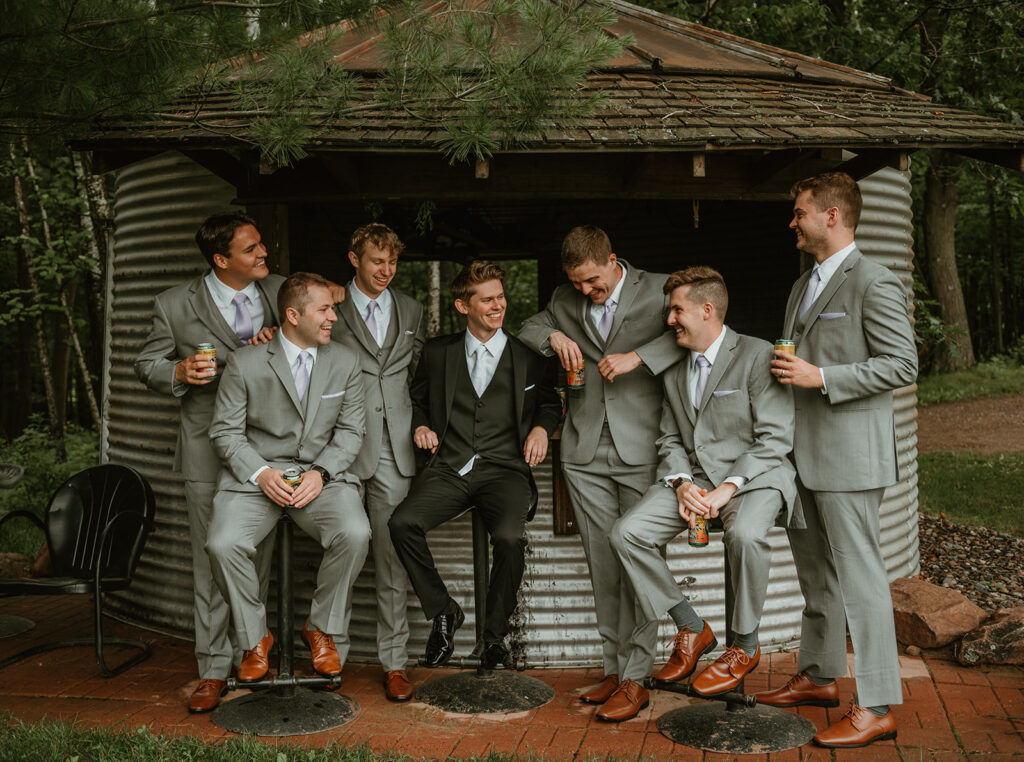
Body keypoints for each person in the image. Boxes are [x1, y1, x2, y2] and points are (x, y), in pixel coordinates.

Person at [759, 171, 918, 748]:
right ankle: (822, 676)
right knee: (815, 573)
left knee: (861, 578)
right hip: (799, 456)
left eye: (800, 211)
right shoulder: (802, 287)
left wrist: (821, 376)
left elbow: (903, 365)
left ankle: (877, 704)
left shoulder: (873, 281)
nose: (793, 222)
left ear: (832, 215)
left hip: (851, 457)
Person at [607, 266, 798, 720]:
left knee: (746, 536)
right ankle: (692, 628)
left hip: (757, 478)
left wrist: (727, 488)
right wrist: (682, 483)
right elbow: (670, 437)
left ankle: (744, 646)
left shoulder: (756, 354)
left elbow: (773, 439)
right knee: (627, 533)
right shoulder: (675, 365)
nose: (669, 319)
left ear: (706, 310)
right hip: (695, 481)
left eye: (676, 309)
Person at [518, 226, 679, 715]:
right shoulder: (564, 298)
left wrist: (640, 357)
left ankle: (637, 675)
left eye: (592, 280)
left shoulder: (662, 288)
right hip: (584, 451)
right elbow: (526, 327)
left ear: (612, 259)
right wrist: (553, 335)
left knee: (636, 559)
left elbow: (695, 333)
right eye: (577, 284)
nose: (585, 291)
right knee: (602, 565)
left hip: (643, 446)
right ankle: (613, 671)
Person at [134, 212, 285, 713]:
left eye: (261, 244)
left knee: (256, 557)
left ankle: (253, 656)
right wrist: (177, 369)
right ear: (222, 260)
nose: (263, 253)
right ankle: (212, 668)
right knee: (210, 561)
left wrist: (279, 339)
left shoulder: (281, 291)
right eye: (251, 248)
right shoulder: (174, 304)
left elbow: (332, 303)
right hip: (204, 448)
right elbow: (146, 364)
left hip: (266, 449)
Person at [388, 262, 561, 670]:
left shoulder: (529, 356)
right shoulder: (437, 352)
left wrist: (540, 428)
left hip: (505, 469)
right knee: (401, 523)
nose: (498, 305)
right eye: (488, 299)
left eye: (500, 297)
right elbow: (417, 399)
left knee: (508, 538)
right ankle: (444, 610)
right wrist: (422, 426)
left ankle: (495, 635)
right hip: (450, 468)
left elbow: (550, 402)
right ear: (463, 305)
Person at [206, 272, 370, 687]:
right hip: (255, 478)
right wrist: (261, 473)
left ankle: (321, 628)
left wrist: (322, 472)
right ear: (293, 315)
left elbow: (351, 432)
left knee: (354, 533)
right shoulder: (244, 363)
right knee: (222, 544)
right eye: (325, 309)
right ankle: (254, 636)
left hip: (323, 478)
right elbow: (225, 432)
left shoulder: (347, 362)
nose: (334, 316)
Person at [330, 223, 425, 701]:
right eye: (375, 261)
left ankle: (394, 662)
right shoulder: (330, 305)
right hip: (340, 448)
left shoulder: (412, 308)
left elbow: (419, 374)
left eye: (391, 262)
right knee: (341, 554)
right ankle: (334, 659)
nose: (385, 271)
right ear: (354, 260)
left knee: (393, 560)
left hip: (396, 449)